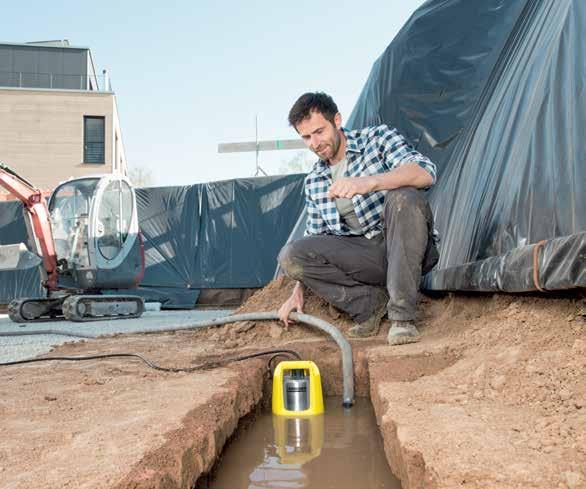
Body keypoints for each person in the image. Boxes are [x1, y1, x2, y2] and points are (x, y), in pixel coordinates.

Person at [277, 92, 439, 345]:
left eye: (319, 132)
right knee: (291, 255)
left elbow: (424, 173)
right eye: (306, 137)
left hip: (407, 246)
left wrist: (369, 182)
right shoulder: (314, 181)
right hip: (367, 258)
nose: (314, 143)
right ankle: (370, 306)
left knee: (404, 196)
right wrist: (298, 289)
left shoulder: (377, 140)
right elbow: (315, 239)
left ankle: (403, 318)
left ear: (337, 120)